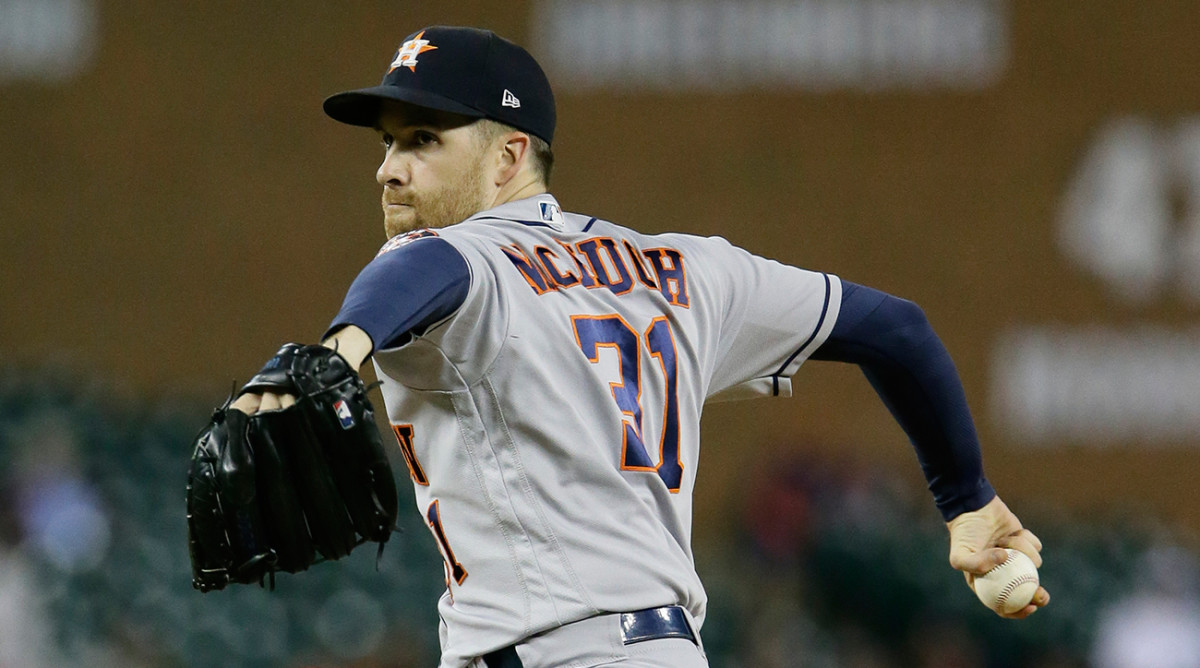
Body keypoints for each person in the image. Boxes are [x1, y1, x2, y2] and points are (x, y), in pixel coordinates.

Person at [230, 25, 1049, 668]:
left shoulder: (456, 258)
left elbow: (422, 271)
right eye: (386, 143)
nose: (389, 169)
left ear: (509, 155)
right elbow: (897, 330)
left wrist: (339, 348)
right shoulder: (689, 271)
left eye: (421, 139)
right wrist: (968, 501)